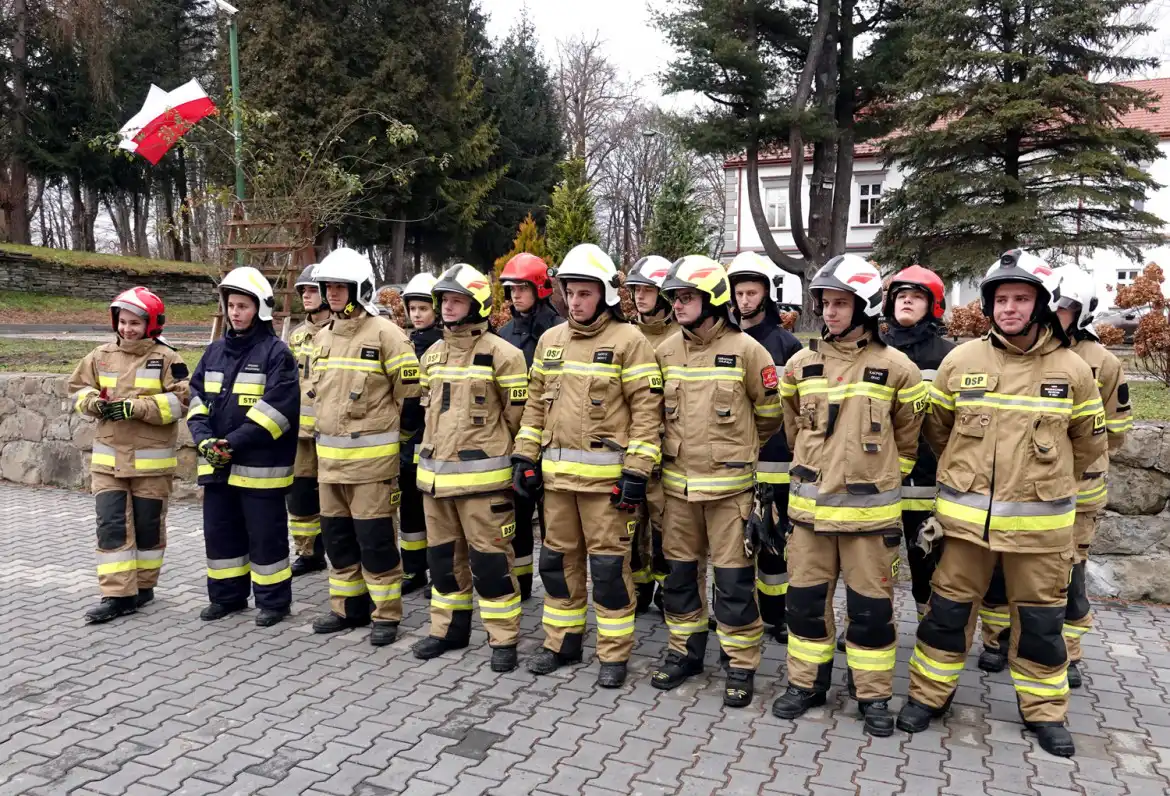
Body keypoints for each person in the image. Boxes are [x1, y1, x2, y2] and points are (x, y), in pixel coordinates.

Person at [897, 250, 1107, 758]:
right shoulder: (961, 361)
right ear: (989, 306)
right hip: (966, 529)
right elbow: (938, 430)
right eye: (1002, 299)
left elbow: (1088, 445)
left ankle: (1044, 714)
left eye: (1022, 298)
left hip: (1040, 533)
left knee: (1039, 625)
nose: (1010, 308)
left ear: (1039, 305)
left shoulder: (1073, 370)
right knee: (945, 615)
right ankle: (929, 697)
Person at [771, 254, 925, 736]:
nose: (830, 313)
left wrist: (876, 479)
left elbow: (909, 439)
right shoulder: (801, 364)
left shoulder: (897, 368)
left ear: (865, 307)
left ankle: (873, 695)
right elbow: (793, 424)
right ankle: (805, 685)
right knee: (804, 605)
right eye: (825, 303)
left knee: (871, 614)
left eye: (840, 304)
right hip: (809, 518)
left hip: (869, 522)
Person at [513, 244, 664, 688]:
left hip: (607, 489)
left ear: (605, 296)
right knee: (557, 566)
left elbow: (647, 414)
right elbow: (535, 410)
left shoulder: (629, 342)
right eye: (570, 293)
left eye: (584, 293)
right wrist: (525, 457)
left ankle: (614, 654)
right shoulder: (550, 341)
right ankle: (561, 642)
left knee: (608, 571)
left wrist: (636, 471)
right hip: (558, 485)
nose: (575, 302)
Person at [975, 265, 1131, 689]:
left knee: (1066, 576)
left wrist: (1067, 466)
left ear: (1080, 311)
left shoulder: (1099, 362)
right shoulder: (1015, 354)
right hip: (1017, 493)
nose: (1055, 313)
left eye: (1065, 307)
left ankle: (1067, 650)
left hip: (1077, 493)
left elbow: (1109, 434)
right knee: (1001, 572)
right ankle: (997, 640)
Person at [651, 254, 781, 708]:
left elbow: (769, 416)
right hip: (677, 490)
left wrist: (734, 454)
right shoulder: (664, 351)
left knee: (733, 584)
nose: (679, 304)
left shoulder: (749, 351)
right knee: (680, 578)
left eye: (687, 297)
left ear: (713, 301)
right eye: (676, 297)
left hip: (729, 493)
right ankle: (684, 653)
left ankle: (740, 664)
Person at [410, 264, 529, 672]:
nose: (447, 307)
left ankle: (503, 638)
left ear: (477, 304)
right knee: (443, 564)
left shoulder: (505, 355)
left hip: (484, 488)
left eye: (457, 300)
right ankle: (447, 630)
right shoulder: (432, 355)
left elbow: (519, 418)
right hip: (436, 485)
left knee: (492, 566)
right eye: (444, 300)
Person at [308, 248, 423, 647]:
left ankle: (386, 614)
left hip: (372, 468)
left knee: (375, 542)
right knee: (337, 541)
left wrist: (401, 444)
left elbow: (412, 397)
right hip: (329, 466)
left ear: (361, 289)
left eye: (340, 287)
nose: (333, 294)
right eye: (328, 287)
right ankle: (347, 608)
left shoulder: (386, 334)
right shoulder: (321, 338)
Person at [187, 267, 299, 626]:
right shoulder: (213, 352)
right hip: (218, 466)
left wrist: (231, 443)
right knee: (221, 535)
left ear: (260, 309)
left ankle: (274, 603)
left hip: (260, 468)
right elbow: (196, 399)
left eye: (243, 306)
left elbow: (277, 411)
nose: (235, 312)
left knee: (266, 538)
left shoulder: (277, 354)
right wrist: (204, 438)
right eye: (231, 305)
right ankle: (227, 597)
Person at [70, 287, 189, 624]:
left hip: (151, 463)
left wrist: (135, 407)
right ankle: (117, 595)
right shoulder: (100, 355)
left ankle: (144, 587)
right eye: (122, 322)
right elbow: (78, 388)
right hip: (108, 461)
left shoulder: (169, 359)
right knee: (111, 525)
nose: (127, 329)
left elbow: (181, 402)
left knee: (148, 527)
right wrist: (93, 402)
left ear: (152, 324)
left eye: (135, 323)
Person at [727, 251, 804, 644]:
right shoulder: (725, 340)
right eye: (739, 292)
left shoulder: (786, 343)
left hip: (776, 460)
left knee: (776, 543)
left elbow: (792, 407)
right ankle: (738, 611)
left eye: (751, 292)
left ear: (765, 295)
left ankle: (779, 615)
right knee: (735, 544)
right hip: (736, 462)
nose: (744, 300)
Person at [879, 266, 955, 621]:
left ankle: (931, 627)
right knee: (874, 563)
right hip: (879, 481)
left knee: (927, 564)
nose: (906, 300)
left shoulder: (950, 358)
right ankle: (872, 623)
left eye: (917, 295)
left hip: (928, 482)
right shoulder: (873, 350)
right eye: (900, 295)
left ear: (934, 305)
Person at [497, 252, 565, 600]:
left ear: (540, 288)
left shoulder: (559, 332)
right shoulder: (504, 333)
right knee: (518, 517)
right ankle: (521, 583)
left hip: (553, 441)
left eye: (522, 288)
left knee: (554, 524)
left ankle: (559, 590)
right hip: (517, 442)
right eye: (511, 289)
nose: (515, 296)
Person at [624, 254, 677, 612]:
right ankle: (639, 588)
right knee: (629, 527)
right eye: (635, 290)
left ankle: (668, 590)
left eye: (647, 290)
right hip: (628, 448)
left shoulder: (681, 337)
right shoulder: (626, 335)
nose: (640, 297)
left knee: (666, 530)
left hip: (669, 449)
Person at [398, 272, 444, 594]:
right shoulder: (403, 343)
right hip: (405, 439)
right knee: (410, 509)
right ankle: (413, 571)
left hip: (430, 437)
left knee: (434, 510)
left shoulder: (442, 345)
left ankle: (438, 573)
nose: (417, 314)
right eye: (412, 308)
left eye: (423, 308)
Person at [288, 264, 332, 577]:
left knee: (335, 497)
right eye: (303, 290)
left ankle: (341, 551)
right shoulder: (297, 336)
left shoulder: (341, 333)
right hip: (301, 434)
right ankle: (309, 552)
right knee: (301, 496)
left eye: (312, 290)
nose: (306, 295)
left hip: (333, 433)